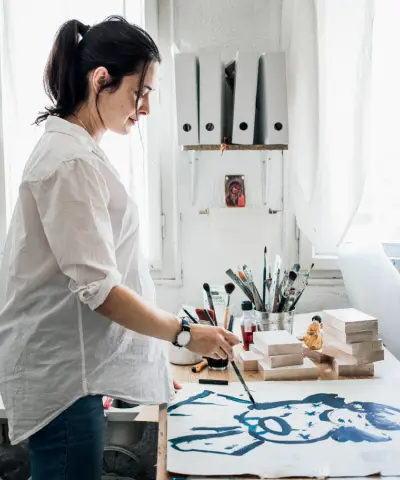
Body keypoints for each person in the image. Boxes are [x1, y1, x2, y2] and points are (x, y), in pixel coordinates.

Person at [0, 16, 239, 479]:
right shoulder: (68, 162)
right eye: (140, 91)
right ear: (100, 80)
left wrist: (146, 363)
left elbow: (103, 278)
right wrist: (186, 334)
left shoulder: (78, 152)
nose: (145, 108)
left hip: (73, 371)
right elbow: (101, 291)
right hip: (63, 378)